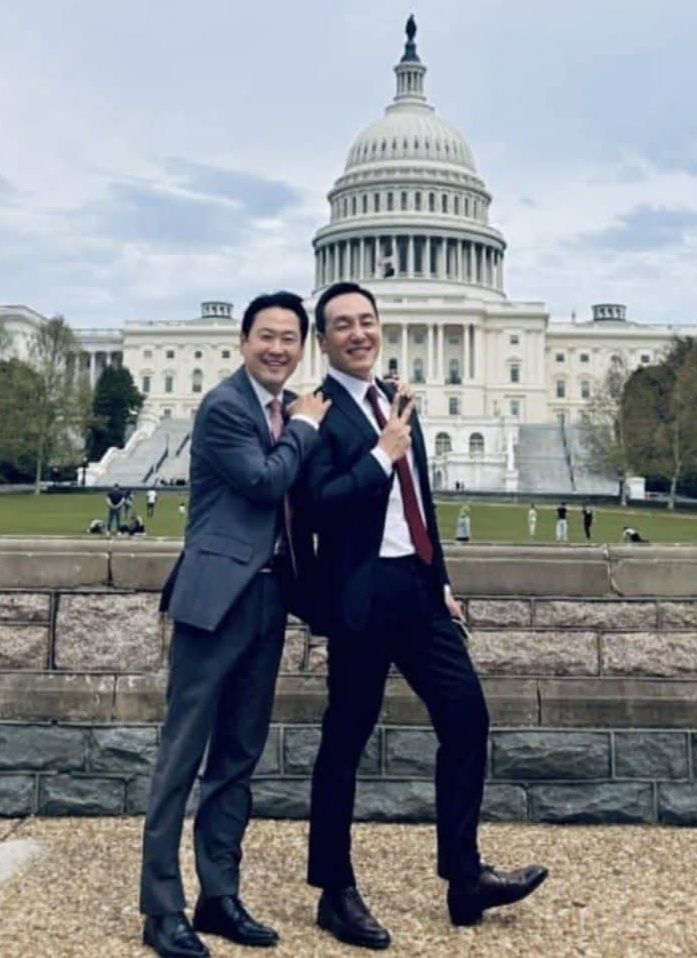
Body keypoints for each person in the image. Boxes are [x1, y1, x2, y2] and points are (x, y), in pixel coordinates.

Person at [302, 282, 547, 949]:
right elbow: (319, 505)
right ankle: (334, 891)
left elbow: (419, 498)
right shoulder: (317, 413)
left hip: (417, 588)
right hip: (360, 595)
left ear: (379, 327)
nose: (358, 333)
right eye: (342, 324)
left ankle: (464, 878)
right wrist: (380, 453)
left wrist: (440, 579)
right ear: (322, 340)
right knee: (345, 743)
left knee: (467, 718)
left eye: (366, 320)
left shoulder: (394, 398)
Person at [139, 291, 330, 958]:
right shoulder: (225, 406)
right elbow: (262, 481)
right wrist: (304, 429)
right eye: (265, 336)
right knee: (181, 756)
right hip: (215, 597)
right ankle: (160, 907)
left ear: (301, 347)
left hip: (270, 598)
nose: (277, 348)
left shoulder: (287, 408)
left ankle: (218, 896)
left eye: (289, 338)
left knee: (237, 758)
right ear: (243, 341)